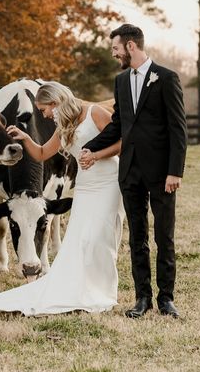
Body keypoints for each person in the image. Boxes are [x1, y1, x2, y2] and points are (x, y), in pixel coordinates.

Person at [0, 81, 124, 316]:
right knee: (81, 239)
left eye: (45, 109)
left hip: (107, 183)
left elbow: (123, 141)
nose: (43, 115)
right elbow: (42, 153)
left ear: (56, 103)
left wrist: (96, 154)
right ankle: (85, 288)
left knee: (102, 238)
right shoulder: (62, 125)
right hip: (86, 187)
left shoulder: (95, 112)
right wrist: (25, 137)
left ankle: (104, 291)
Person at [80, 24, 187, 319]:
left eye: (115, 48)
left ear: (130, 46)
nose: (114, 54)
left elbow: (178, 128)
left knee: (164, 236)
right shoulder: (121, 80)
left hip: (162, 173)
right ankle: (142, 298)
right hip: (130, 172)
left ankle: (166, 299)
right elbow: (118, 125)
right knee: (136, 237)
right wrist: (89, 146)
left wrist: (174, 171)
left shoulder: (166, 78)